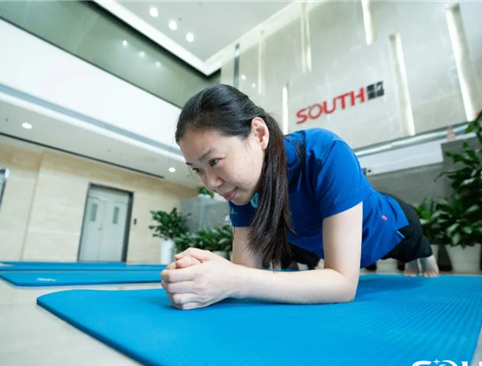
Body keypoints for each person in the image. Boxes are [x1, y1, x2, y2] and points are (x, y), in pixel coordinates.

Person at [160, 84, 439, 310]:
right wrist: (199, 274)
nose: (211, 183)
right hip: (332, 247)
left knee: (425, 271)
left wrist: (234, 279)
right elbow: (245, 271)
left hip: (394, 229)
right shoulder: (242, 191)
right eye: (197, 169)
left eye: (215, 161)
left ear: (258, 134)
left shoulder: (325, 152)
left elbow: (343, 285)